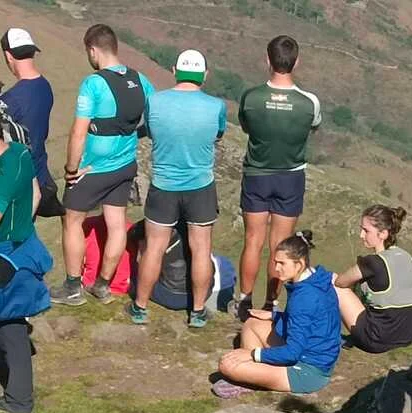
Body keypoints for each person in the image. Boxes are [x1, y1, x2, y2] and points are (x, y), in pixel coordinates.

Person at [50, 24, 154, 307]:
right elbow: (153, 118)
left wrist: (71, 169)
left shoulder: (93, 84)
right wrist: (132, 135)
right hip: (125, 165)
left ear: (93, 50)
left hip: (93, 169)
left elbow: (78, 132)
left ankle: (73, 288)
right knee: (116, 223)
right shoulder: (140, 80)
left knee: (71, 220)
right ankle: (102, 285)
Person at [127, 49, 226, 328]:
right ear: (205, 75)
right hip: (200, 186)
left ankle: (140, 307)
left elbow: (149, 131)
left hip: (164, 185)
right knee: (201, 248)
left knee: (154, 247)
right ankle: (197, 312)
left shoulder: (155, 101)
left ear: (174, 71)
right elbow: (218, 135)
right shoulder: (216, 105)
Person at [234, 35, 321, 319]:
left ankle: (244, 300)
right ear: (296, 62)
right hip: (290, 177)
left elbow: (246, 127)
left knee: (253, 240)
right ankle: (271, 304)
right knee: (280, 245)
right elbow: (312, 128)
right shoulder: (309, 102)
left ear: (267, 60)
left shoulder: (251, 97)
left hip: (257, 174)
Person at [0, 98, 51, 413]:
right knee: (11, 324)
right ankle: (20, 402)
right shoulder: (19, 153)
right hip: (22, 250)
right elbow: (35, 195)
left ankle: (19, 402)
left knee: (1, 322)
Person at [214, 231, 339, 398]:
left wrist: (252, 354)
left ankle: (253, 379)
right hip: (315, 355)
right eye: (275, 262)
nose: (276, 268)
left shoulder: (304, 298)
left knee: (226, 366)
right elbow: (312, 321)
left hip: (308, 371)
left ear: (299, 264)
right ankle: (259, 373)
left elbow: (293, 352)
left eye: (282, 263)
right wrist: (275, 316)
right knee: (252, 323)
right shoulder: (317, 279)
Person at [333, 204, 412, 353]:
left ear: (383, 234)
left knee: (332, 281)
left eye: (366, 230)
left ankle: (323, 332)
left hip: (376, 340)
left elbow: (340, 282)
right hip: (406, 337)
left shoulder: (372, 263)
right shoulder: (406, 257)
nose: (361, 235)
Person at [0, 27, 65, 219]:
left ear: (8, 55)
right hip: (39, 174)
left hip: (18, 182)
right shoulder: (44, 86)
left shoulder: (10, 101)